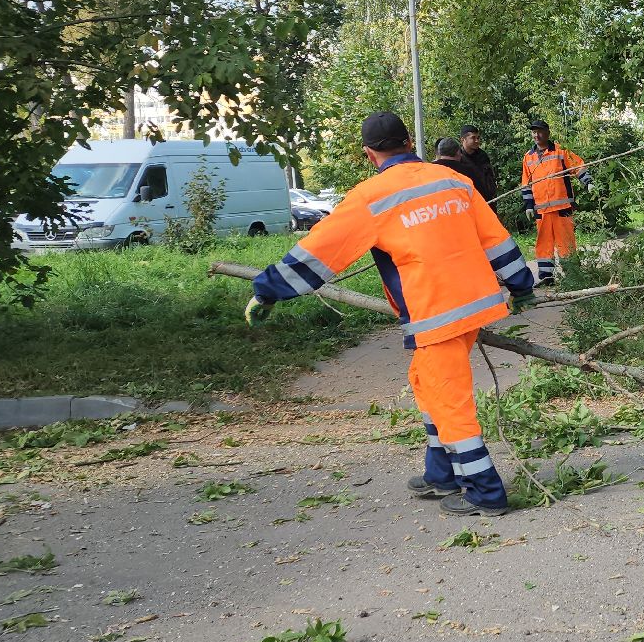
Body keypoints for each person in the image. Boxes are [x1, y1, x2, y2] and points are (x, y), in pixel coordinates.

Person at [246, 111, 535, 517]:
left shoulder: (371, 197)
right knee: (425, 381)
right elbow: (496, 240)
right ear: (410, 144)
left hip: (436, 313)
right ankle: (442, 475)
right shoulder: (455, 181)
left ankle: (485, 493)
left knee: (449, 401)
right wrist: (521, 285)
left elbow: (320, 251)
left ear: (369, 155)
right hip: (474, 304)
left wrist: (267, 291)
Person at [519, 118, 590, 285]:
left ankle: (573, 275)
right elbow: (526, 184)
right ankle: (547, 277)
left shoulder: (560, 151)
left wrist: (588, 181)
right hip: (541, 210)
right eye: (534, 132)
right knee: (544, 245)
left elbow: (578, 166)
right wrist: (529, 205)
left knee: (566, 243)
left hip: (562, 207)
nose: (536, 135)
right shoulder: (528, 157)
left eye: (539, 131)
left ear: (547, 132)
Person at [457, 124, 499, 205]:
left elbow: (490, 178)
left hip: (486, 200)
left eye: (478, 138)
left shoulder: (483, 156)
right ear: (463, 139)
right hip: (467, 202)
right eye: (473, 138)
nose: (477, 141)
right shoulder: (457, 158)